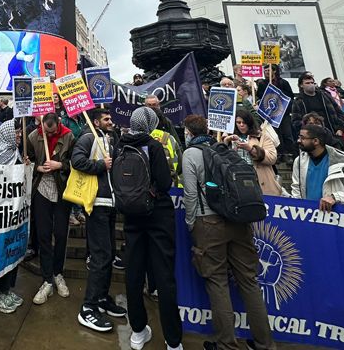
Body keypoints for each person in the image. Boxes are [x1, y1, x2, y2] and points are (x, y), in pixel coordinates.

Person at [182, 114, 276, 350]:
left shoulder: (191, 154)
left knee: (217, 281)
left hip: (209, 222)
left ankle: (227, 343)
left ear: (189, 132)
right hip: (238, 221)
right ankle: (264, 343)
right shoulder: (225, 150)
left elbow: (191, 194)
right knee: (249, 281)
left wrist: (192, 223)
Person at [119, 107, 182, 350]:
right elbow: (165, 182)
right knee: (164, 277)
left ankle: (137, 331)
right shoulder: (154, 146)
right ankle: (173, 341)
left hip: (132, 217)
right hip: (158, 216)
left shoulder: (121, 145)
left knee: (133, 275)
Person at [72, 108, 126, 332]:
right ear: (96, 121)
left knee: (109, 254)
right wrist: (100, 166)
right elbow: (76, 161)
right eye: (106, 119)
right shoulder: (87, 137)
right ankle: (88, 307)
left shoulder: (110, 139)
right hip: (97, 203)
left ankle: (102, 298)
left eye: (111, 118)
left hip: (110, 204)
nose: (111, 121)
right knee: (100, 256)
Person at [26, 112, 75, 305]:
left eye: (52, 130)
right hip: (42, 190)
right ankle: (46, 279)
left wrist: (60, 164)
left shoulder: (69, 136)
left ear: (58, 124)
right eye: (45, 130)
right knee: (44, 235)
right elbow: (26, 160)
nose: (48, 133)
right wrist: (37, 167)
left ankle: (58, 273)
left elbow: (76, 162)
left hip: (62, 191)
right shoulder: (33, 136)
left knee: (61, 234)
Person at [0, 119, 26, 314]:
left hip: (15, 213)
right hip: (0, 215)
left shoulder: (15, 152)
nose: (19, 135)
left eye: (20, 132)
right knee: (0, 252)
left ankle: (7, 289)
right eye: (16, 132)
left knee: (12, 251)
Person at [290, 124, 344, 212]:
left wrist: (336, 197)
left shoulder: (342, 163)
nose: (298, 141)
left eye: (303, 138)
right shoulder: (299, 161)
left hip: (333, 220)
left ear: (316, 141)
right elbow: (297, 189)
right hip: (308, 219)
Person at [223, 110, 282, 196]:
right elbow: (221, 160)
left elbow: (272, 158)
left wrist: (251, 149)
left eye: (244, 122)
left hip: (259, 182)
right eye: (238, 122)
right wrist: (226, 142)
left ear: (249, 123)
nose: (241, 125)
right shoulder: (228, 137)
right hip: (237, 182)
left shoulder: (261, 137)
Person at [256, 64, 296, 160]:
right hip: (271, 114)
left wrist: (278, 93)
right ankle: (278, 153)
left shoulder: (283, 82)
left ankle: (290, 154)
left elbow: (290, 96)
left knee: (287, 134)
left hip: (283, 113)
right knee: (275, 134)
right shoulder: (262, 84)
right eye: (265, 71)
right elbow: (260, 96)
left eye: (269, 70)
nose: (266, 72)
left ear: (274, 71)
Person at [290, 74, 344, 140]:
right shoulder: (298, 101)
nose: (311, 85)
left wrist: (340, 128)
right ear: (301, 85)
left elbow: (338, 112)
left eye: (312, 83)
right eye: (307, 83)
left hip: (332, 132)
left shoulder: (325, 96)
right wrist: (307, 126)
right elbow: (295, 121)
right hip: (312, 136)